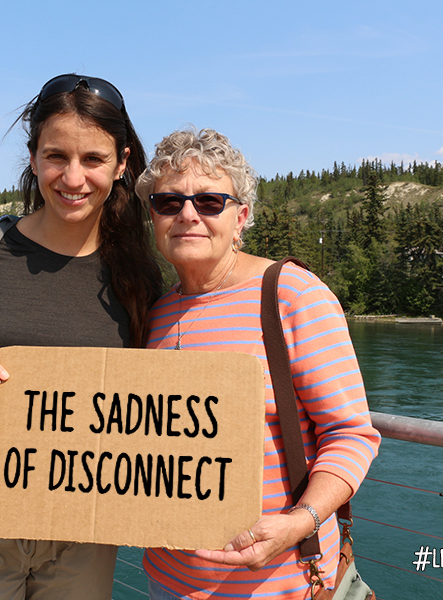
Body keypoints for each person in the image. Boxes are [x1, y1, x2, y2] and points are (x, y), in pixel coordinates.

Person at [0, 74, 163, 600]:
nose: (73, 177)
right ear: (33, 157)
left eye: (93, 159)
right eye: (56, 156)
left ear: (122, 163)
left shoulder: (138, 275)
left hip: (83, 533)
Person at [135, 128, 380, 599]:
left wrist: (300, 521)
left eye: (210, 201)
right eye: (169, 202)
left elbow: (351, 435)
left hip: (280, 586)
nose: (188, 214)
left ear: (240, 217)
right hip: (167, 581)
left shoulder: (292, 295)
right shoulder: (156, 313)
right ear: (154, 216)